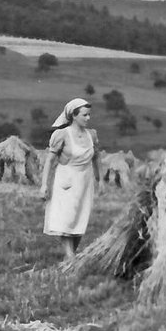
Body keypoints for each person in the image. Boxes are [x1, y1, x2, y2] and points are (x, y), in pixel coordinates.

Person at [41, 98, 102, 262]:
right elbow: (49, 160)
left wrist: (100, 179)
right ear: (74, 116)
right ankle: (70, 256)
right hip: (66, 180)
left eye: (89, 115)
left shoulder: (92, 135)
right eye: (84, 115)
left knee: (80, 218)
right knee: (66, 217)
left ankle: (70, 257)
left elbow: (96, 157)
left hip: (85, 180)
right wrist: (44, 185)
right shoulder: (62, 135)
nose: (88, 118)